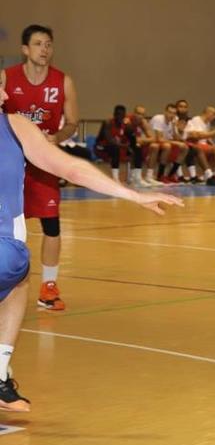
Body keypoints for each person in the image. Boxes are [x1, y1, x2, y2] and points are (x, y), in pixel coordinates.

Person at [0, 87, 183, 411]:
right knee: (18, 279)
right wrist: (134, 195)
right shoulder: (16, 125)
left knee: (17, 281)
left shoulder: (14, 124)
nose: (3, 94)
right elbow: (71, 169)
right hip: (8, 255)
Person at [0, 24, 79, 311]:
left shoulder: (63, 81)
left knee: (52, 224)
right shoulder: (7, 79)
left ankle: (48, 287)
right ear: (25, 49)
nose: (44, 49)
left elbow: (72, 122)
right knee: (9, 226)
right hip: (10, 161)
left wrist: (56, 137)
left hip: (42, 161)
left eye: (48, 44)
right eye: (38, 44)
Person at [150, 103, 188, 184]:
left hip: (165, 144)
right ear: (165, 112)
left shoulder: (173, 121)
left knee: (185, 148)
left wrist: (174, 127)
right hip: (152, 143)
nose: (171, 115)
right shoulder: (158, 119)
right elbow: (159, 139)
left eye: (174, 113)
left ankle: (171, 175)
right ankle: (160, 175)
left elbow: (177, 138)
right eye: (170, 112)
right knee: (167, 146)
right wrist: (176, 143)